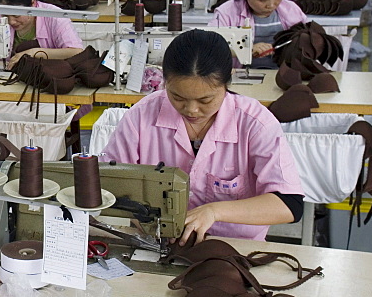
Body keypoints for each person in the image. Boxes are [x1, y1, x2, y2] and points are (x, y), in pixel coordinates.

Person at [101, 29, 304, 243]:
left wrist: (214, 212)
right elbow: (109, 183)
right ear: (164, 81)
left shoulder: (255, 123)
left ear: (228, 82)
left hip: (233, 247)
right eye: (177, 97)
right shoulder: (141, 117)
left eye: (205, 100)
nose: (191, 110)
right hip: (158, 241)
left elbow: (289, 204)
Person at [210, 0, 308, 69]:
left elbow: (308, 37)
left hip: (283, 74)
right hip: (240, 76)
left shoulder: (292, 10)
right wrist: (245, 50)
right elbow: (210, 46)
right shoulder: (227, 12)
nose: (270, 5)